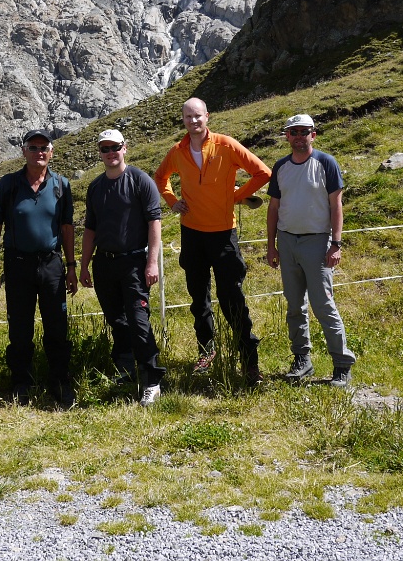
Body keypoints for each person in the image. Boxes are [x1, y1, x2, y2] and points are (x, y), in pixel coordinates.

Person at [154, 97, 271, 384]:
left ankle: (249, 362)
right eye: (188, 117)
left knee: (233, 298)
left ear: (207, 116)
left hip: (223, 234)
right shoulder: (177, 151)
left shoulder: (226, 145)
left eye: (198, 116)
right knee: (199, 300)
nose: (193, 121)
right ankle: (206, 354)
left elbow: (263, 173)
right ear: (183, 120)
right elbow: (160, 177)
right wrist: (172, 201)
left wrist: (236, 196)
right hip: (192, 233)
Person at [0, 129, 78, 408]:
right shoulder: (9, 184)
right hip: (18, 265)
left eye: (43, 148)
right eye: (33, 147)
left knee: (57, 326)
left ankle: (60, 381)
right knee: (20, 327)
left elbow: (67, 227)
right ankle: (21, 384)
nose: (39, 152)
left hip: (51, 264)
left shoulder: (61, 185)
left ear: (51, 152)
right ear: (23, 151)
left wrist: (71, 266)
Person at [265, 114, 356, 388]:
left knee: (323, 305)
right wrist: (271, 246)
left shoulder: (326, 163)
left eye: (304, 131)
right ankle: (301, 359)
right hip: (287, 242)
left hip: (318, 242)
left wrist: (336, 243)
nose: (298, 137)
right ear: (287, 136)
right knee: (294, 305)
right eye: (293, 132)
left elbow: (336, 205)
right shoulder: (281, 166)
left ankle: (341, 364)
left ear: (313, 135)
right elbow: (273, 208)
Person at [80, 129, 166, 407]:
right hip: (104, 263)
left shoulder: (140, 180)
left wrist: (152, 263)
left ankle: (151, 380)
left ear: (124, 148)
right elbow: (90, 229)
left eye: (114, 147)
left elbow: (154, 223)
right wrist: (84, 265)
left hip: (134, 262)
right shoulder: (95, 187)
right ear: (100, 153)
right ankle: (126, 371)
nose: (110, 153)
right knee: (117, 321)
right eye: (104, 149)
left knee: (139, 321)